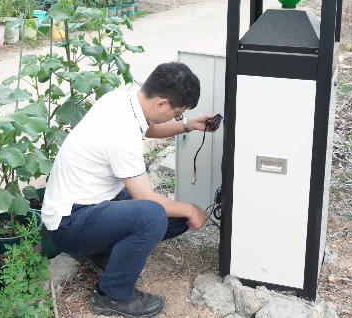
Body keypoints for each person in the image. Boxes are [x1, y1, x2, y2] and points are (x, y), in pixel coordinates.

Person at [42, 62, 219, 318]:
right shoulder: (121, 131)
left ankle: (102, 252)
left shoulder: (120, 100)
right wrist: (192, 209)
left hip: (91, 205)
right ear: (161, 103)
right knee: (153, 215)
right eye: (177, 113)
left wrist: (189, 124)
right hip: (70, 224)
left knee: (174, 218)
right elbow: (146, 198)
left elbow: (149, 128)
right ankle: (112, 294)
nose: (176, 118)